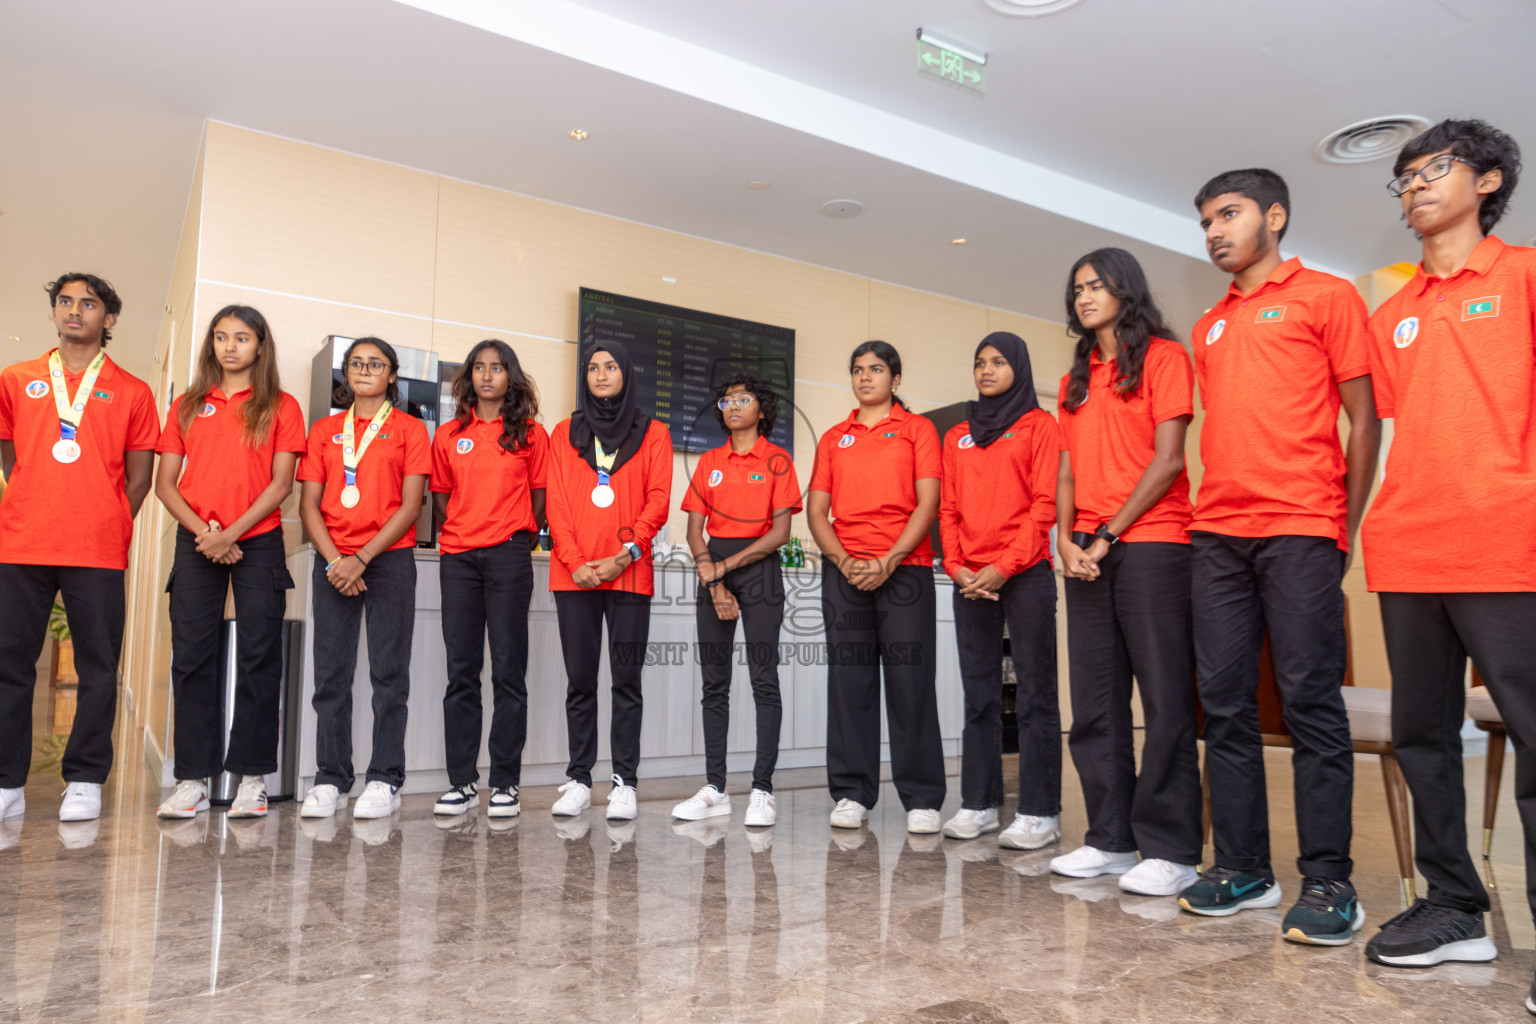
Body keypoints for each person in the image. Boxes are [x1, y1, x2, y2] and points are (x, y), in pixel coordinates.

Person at [1178, 169, 1381, 946]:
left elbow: (1363, 422)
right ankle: (1243, 867)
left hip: (1302, 525)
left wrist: (1343, 527)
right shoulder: (1210, 325)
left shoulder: (1328, 296)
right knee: (1224, 704)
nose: (1215, 232)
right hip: (1217, 534)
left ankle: (1329, 880)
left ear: (1275, 216)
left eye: (1228, 214)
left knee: (1309, 704)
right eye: (1205, 221)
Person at [1359, 120, 1530, 984]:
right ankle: (1455, 906)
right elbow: (1396, 435)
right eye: (1404, 178)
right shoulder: (1393, 314)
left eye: (1436, 169)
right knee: (1423, 739)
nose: (1415, 187)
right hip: (1409, 551)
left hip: (1509, 547)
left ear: (1490, 180)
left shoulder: (1527, 275)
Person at [1050, 249, 1202, 896]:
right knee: (1094, 702)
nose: (1084, 297)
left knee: (1164, 699)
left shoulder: (1166, 359)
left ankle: (1170, 850)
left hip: (1153, 542)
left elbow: (1169, 461)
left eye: (1096, 286)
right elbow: (1065, 469)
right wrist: (1063, 536)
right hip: (1085, 548)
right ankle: (1110, 840)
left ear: (1125, 291)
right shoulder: (1074, 379)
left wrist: (1109, 532)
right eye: (1076, 288)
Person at [0, 273, 157, 823]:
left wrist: (107, 519)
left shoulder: (133, 390)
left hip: (96, 548)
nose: (74, 311)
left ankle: (86, 778)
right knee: (10, 663)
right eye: (64, 302)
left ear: (107, 319)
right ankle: (6, 783)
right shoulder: (17, 378)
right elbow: (8, 453)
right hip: (21, 541)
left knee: (97, 665)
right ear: (53, 313)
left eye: (87, 304)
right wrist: (34, 498)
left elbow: (140, 478)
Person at [153, 306, 305, 820]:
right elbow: (164, 485)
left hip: (256, 541)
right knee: (192, 657)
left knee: (259, 658)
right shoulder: (189, 405)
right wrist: (207, 534)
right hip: (199, 541)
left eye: (241, 338)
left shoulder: (282, 406)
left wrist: (232, 534)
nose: (230, 346)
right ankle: (193, 778)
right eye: (221, 337)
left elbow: (282, 485)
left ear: (260, 345)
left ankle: (252, 779)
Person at [808, 341, 946, 834]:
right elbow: (816, 511)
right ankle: (851, 793)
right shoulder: (832, 437)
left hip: (904, 569)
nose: (865, 377)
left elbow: (927, 504)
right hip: (844, 572)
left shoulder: (918, 430)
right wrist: (844, 561)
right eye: (857, 370)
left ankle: (923, 798)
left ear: (896, 379)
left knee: (910, 682)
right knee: (850, 683)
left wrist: (889, 559)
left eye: (877, 369)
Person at [937, 332, 1061, 850]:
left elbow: (1044, 506)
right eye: (979, 362)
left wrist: (1004, 567)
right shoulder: (957, 435)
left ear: (1020, 369)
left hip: (1026, 572)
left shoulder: (1039, 426)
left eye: (998, 362)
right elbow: (947, 509)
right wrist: (957, 565)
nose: (986, 370)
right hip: (969, 577)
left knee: (1035, 695)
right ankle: (980, 804)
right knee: (979, 694)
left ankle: (1039, 811)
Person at [296, 338, 430, 820]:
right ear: (345, 374)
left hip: (389, 560)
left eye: (376, 363)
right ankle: (331, 777)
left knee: (388, 675)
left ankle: (385, 778)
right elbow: (307, 505)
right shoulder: (324, 431)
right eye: (356, 363)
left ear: (392, 375)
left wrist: (363, 557)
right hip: (332, 561)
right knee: (330, 675)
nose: (365, 370)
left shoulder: (411, 430)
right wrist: (336, 561)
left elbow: (411, 505)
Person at [545, 341, 672, 821]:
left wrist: (626, 554)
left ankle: (624, 782)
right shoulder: (564, 432)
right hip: (572, 573)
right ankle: (578, 778)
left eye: (611, 366)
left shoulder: (653, 433)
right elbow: (556, 503)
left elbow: (658, 500)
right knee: (580, 682)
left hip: (630, 574)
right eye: (593, 368)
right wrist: (575, 560)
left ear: (627, 372)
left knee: (626, 683)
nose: (601, 375)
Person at [672, 371, 802, 828]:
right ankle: (715, 788)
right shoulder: (708, 461)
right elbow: (693, 530)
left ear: (762, 409)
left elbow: (781, 532)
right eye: (726, 400)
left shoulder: (778, 460)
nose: (732, 406)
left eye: (743, 398)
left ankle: (763, 790)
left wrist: (725, 570)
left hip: (760, 568)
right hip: (715, 566)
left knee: (764, 681)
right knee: (715, 683)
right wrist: (714, 580)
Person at [429, 339, 547, 819]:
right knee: (462, 674)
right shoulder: (448, 434)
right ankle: (461, 783)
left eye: (496, 368)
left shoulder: (531, 435)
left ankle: (505, 784)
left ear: (510, 377)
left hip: (508, 558)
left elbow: (539, 499)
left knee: (508, 672)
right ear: (468, 377)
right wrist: (461, 529)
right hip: (458, 558)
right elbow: (440, 497)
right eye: (478, 368)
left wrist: (514, 536)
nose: (486, 376)